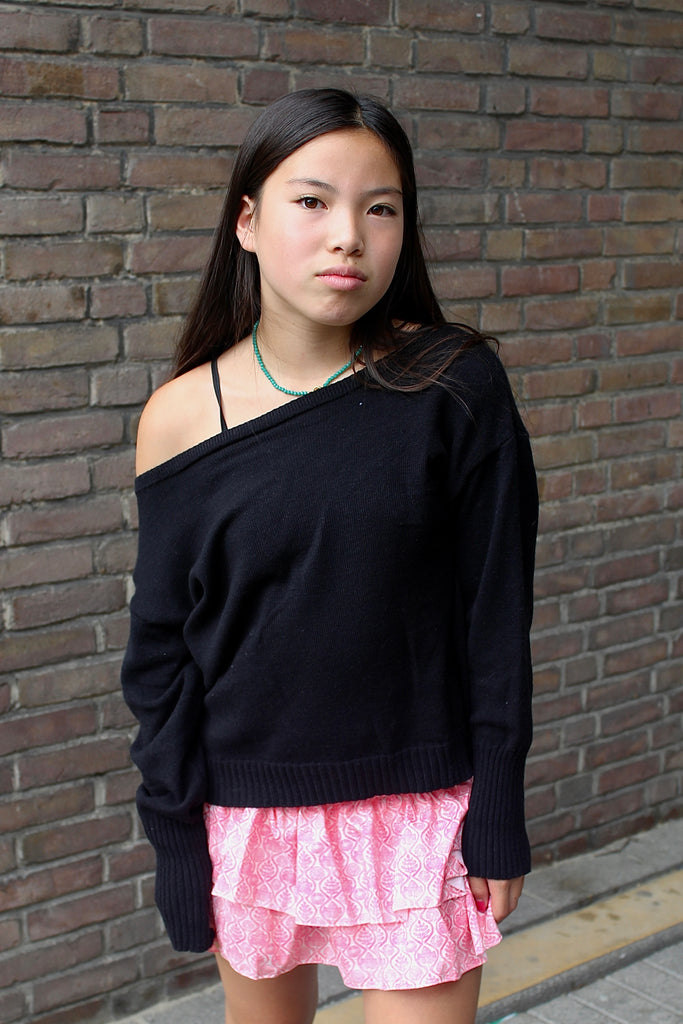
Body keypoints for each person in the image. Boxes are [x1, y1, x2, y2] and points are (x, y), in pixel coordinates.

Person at [121, 88, 538, 1024]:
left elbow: (495, 618)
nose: (348, 236)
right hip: (249, 818)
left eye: (379, 208)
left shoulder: (454, 385)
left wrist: (498, 810)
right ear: (247, 221)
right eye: (311, 201)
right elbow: (162, 660)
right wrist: (178, 844)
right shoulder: (180, 417)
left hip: (418, 812)